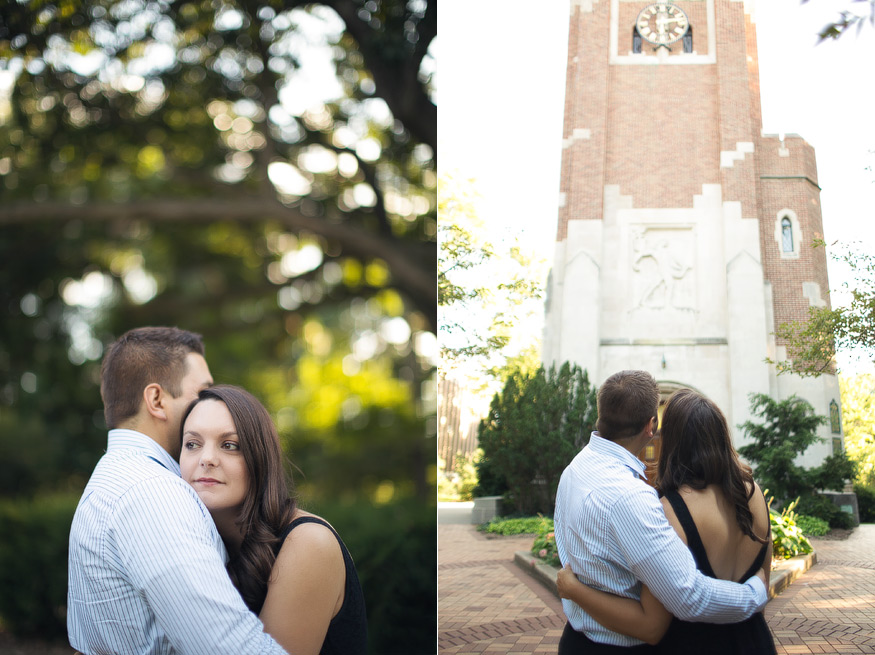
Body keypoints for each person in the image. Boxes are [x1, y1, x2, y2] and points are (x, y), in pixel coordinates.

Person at [68, 327, 287, 654]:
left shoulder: (115, 479)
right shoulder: (152, 494)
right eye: (202, 392)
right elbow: (226, 646)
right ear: (156, 400)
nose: (211, 402)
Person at [553, 370, 769, 654]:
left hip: (586, 639)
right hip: (751, 640)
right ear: (650, 426)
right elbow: (684, 599)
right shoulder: (753, 492)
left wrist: (573, 590)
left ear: (600, 415)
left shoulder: (575, 469)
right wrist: (756, 593)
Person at [180, 385, 367, 655]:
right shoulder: (199, 545)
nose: (207, 459)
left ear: (259, 458)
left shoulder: (308, 542)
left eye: (230, 445)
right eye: (192, 444)